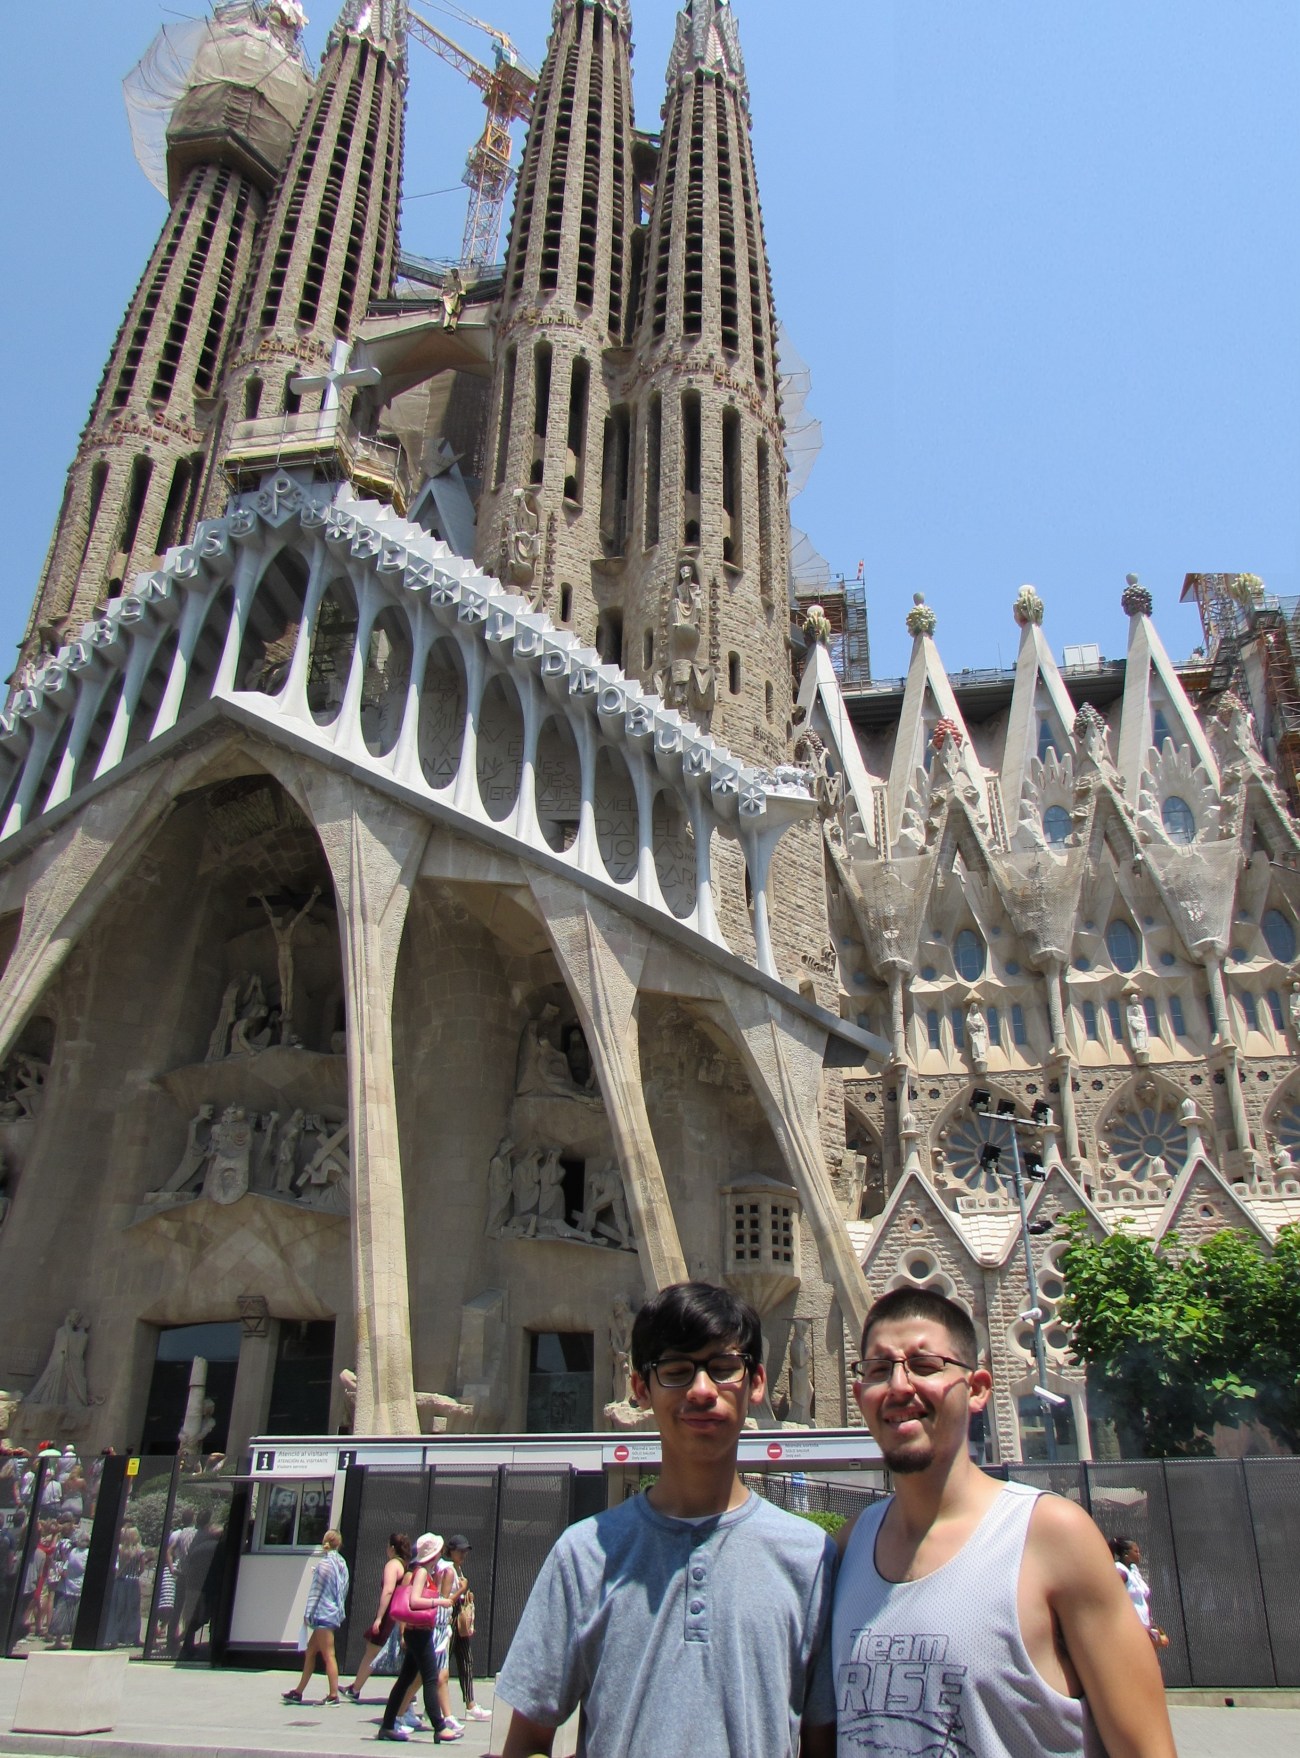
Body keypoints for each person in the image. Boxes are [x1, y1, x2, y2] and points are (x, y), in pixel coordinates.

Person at [495, 1281, 838, 1758]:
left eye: (723, 1369)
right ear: (640, 1387)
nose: (702, 1391)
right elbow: (527, 1741)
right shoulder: (586, 1554)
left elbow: (823, 1744)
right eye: (676, 1371)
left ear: (756, 1381)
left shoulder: (810, 1558)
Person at [832, 1286, 1176, 1757]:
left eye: (926, 1365)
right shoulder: (849, 1549)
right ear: (859, 1393)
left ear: (976, 1390)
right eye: (878, 1369)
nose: (898, 1386)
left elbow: (1146, 1749)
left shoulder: (1051, 1535)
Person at [376, 1531, 462, 1742]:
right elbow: (414, 1601)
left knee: (405, 1679)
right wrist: (439, 1602)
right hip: (420, 1632)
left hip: (419, 1632)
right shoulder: (422, 1572)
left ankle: (387, 1725)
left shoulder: (426, 1572)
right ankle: (439, 1726)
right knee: (431, 1678)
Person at [282, 1529, 350, 1707]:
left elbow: (316, 1592)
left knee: (329, 1655)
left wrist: (308, 1613)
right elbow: (344, 1588)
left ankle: (334, 1695)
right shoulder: (342, 1564)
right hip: (333, 1612)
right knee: (311, 1651)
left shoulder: (324, 1565)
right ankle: (298, 1691)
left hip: (322, 1614)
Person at [344, 1532, 411, 1702]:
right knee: (393, 1653)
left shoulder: (392, 1565)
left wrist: (379, 1617)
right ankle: (408, 1692)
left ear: (392, 1548)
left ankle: (356, 1688)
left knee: (372, 1650)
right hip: (400, 1613)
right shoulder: (405, 1565)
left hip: (390, 1614)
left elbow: (388, 1590)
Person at [445, 1536, 490, 1722]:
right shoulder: (446, 1569)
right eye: (460, 1550)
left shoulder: (457, 1568)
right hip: (447, 1620)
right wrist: (461, 1592)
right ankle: (432, 1705)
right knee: (440, 1666)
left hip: (458, 1621)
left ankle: (470, 1704)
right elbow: (445, 1599)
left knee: (466, 1660)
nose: (463, 1554)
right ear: (451, 1550)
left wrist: (466, 1595)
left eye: (465, 1551)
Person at [1110, 1536, 1168, 1651]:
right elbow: (1110, 1592)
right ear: (1126, 1555)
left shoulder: (1133, 1571)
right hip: (1131, 1628)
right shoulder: (1120, 1570)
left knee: (1162, 1643)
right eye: (1135, 1551)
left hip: (1145, 1625)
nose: (1139, 1554)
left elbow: (1142, 1600)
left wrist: (1151, 1623)